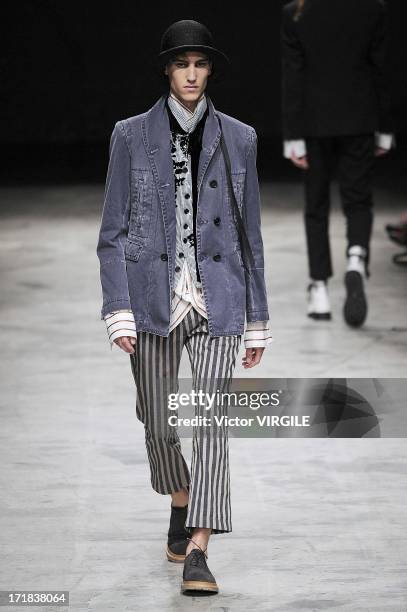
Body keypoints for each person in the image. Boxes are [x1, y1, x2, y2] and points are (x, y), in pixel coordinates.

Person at [96, 20, 271, 595]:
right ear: (167, 70)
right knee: (158, 421)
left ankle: (199, 547)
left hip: (218, 300)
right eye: (181, 64)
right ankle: (180, 496)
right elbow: (113, 232)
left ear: (210, 69)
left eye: (199, 64)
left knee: (215, 424)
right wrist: (117, 305)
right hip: (153, 301)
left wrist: (257, 317)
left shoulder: (239, 137)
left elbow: (251, 236)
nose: (191, 74)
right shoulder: (130, 135)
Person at [281, 0, 394, 326]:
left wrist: (292, 134)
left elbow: (293, 74)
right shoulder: (373, 9)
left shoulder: (296, 12)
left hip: (313, 123)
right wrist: (385, 127)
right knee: (358, 199)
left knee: (316, 203)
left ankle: (319, 290)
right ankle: (356, 257)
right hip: (359, 119)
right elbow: (380, 71)